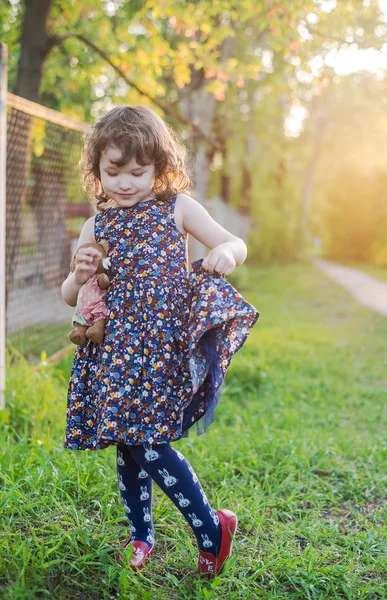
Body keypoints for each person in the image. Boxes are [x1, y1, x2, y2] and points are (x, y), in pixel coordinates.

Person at [61, 105, 259, 577]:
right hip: (114, 353)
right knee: (126, 444)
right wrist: (78, 273)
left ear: (159, 169)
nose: (125, 183)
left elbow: (233, 242)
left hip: (160, 351)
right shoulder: (98, 225)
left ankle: (212, 526)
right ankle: (141, 534)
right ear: (97, 171)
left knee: (148, 442)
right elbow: (71, 294)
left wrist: (226, 254)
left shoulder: (177, 208)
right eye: (114, 172)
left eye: (138, 172)